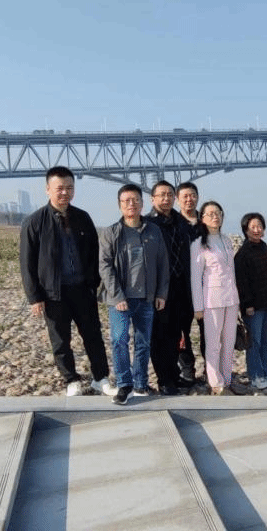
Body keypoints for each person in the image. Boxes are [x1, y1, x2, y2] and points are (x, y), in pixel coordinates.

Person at [20, 166, 113, 397]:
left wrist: (94, 284)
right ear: (48, 189)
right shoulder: (34, 222)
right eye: (59, 188)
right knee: (60, 340)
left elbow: (94, 253)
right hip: (53, 293)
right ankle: (71, 379)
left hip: (83, 289)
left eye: (69, 188)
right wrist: (34, 297)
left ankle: (100, 378)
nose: (65, 193)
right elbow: (27, 263)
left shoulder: (83, 218)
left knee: (93, 335)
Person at [100, 184, 170, 405]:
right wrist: (117, 296)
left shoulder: (153, 231)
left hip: (146, 298)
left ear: (142, 203)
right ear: (120, 205)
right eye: (126, 201)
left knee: (143, 343)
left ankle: (140, 383)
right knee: (119, 340)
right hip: (120, 300)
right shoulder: (111, 232)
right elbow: (105, 266)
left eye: (135, 200)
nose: (131, 204)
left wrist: (161, 293)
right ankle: (124, 385)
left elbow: (163, 263)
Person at [146, 180, 194, 395]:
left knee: (176, 333)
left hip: (181, 286)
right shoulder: (147, 224)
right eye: (161, 195)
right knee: (159, 335)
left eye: (169, 195)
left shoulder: (181, 222)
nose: (166, 199)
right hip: (159, 288)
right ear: (152, 199)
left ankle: (174, 375)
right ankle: (164, 379)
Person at [191, 201, 241, 395]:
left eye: (218, 213)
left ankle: (227, 379)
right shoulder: (199, 244)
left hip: (231, 298)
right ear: (202, 218)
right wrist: (198, 307)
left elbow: (232, 272)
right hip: (212, 299)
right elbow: (196, 278)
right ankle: (216, 383)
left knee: (229, 341)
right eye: (210, 214)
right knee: (213, 344)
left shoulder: (226, 240)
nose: (215, 217)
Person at [234, 212, 267, 391]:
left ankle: (265, 370)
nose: (257, 230)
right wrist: (247, 305)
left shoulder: (266, 249)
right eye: (252, 227)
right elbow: (241, 282)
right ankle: (255, 375)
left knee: (266, 340)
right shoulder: (243, 254)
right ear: (245, 230)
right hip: (253, 307)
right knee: (254, 342)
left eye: (259, 226)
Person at [176, 181, 203, 381]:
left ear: (197, 197)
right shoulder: (173, 223)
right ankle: (187, 370)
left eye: (192, 195)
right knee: (181, 332)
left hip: (205, 286)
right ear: (178, 200)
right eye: (184, 196)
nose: (189, 199)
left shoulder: (206, 222)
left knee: (209, 332)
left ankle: (212, 369)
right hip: (180, 286)